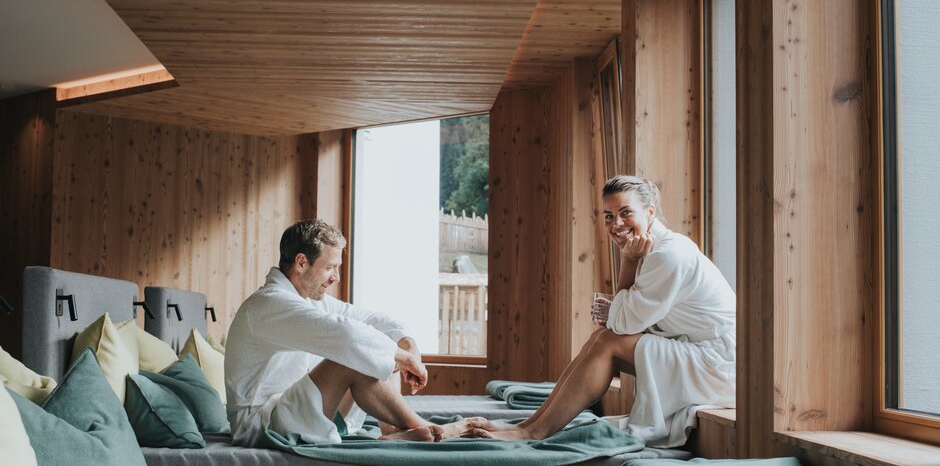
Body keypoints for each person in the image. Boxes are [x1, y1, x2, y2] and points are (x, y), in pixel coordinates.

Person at [469, 175, 735, 447]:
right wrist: (627, 273)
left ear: (650, 212)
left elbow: (620, 325)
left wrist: (627, 261)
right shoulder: (652, 249)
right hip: (698, 353)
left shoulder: (666, 255)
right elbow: (617, 323)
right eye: (608, 216)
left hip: (720, 364)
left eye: (626, 213)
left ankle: (534, 431)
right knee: (601, 339)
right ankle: (528, 426)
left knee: (607, 342)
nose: (616, 224)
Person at [226, 219, 487, 446]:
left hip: (293, 411)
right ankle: (428, 428)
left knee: (375, 343)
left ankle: (393, 429)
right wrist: (403, 358)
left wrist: (408, 345)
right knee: (355, 353)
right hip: (260, 425)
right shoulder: (269, 304)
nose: (336, 277)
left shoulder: (307, 301)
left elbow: (371, 320)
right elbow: (347, 335)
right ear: (302, 263)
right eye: (329, 268)